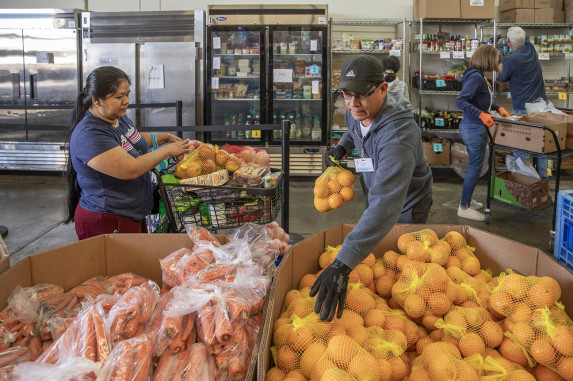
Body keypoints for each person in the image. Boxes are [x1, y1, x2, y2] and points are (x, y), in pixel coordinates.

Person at [311, 55, 433, 321]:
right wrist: (343, 145)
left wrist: (343, 264)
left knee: (402, 269)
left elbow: (386, 204)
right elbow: (356, 128)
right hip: (377, 190)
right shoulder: (356, 109)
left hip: (406, 204)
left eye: (362, 96)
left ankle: (405, 320)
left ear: (383, 89)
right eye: (347, 95)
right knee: (380, 263)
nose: (353, 104)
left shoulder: (398, 138)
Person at [65, 66, 192, 240]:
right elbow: (130, 168)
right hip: (107, 219)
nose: (126, 101)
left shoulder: (117, 117)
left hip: (132, 212)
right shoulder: (90, 135)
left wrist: (166, 138)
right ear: (96, 100)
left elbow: (134, 140)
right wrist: (168, 150)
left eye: (127, 94)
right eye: (119, 97)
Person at [455, 44, 511, 222]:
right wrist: (481, 115)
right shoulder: (477, 78)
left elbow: (479, 101)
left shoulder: (477, 76)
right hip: (474, 128)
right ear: (487, 59)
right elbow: (461, 101)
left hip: (475, 126)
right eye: (495, 58)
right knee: (475, 167)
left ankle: (467, 199)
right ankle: (464, 207)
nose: (497, 61)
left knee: (476, 166)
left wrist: (497, 107)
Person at [497, 26, 548, 179]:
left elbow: (502, 78)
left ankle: (526, 182)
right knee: (541, 146)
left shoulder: (511, 59)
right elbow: (524, 38)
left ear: (508, 41)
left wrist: (500, 62)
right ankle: (543, 181)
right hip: (540, 107)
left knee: (521, 147)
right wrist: (506, 36)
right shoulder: (531, 50)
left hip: (523, 109)